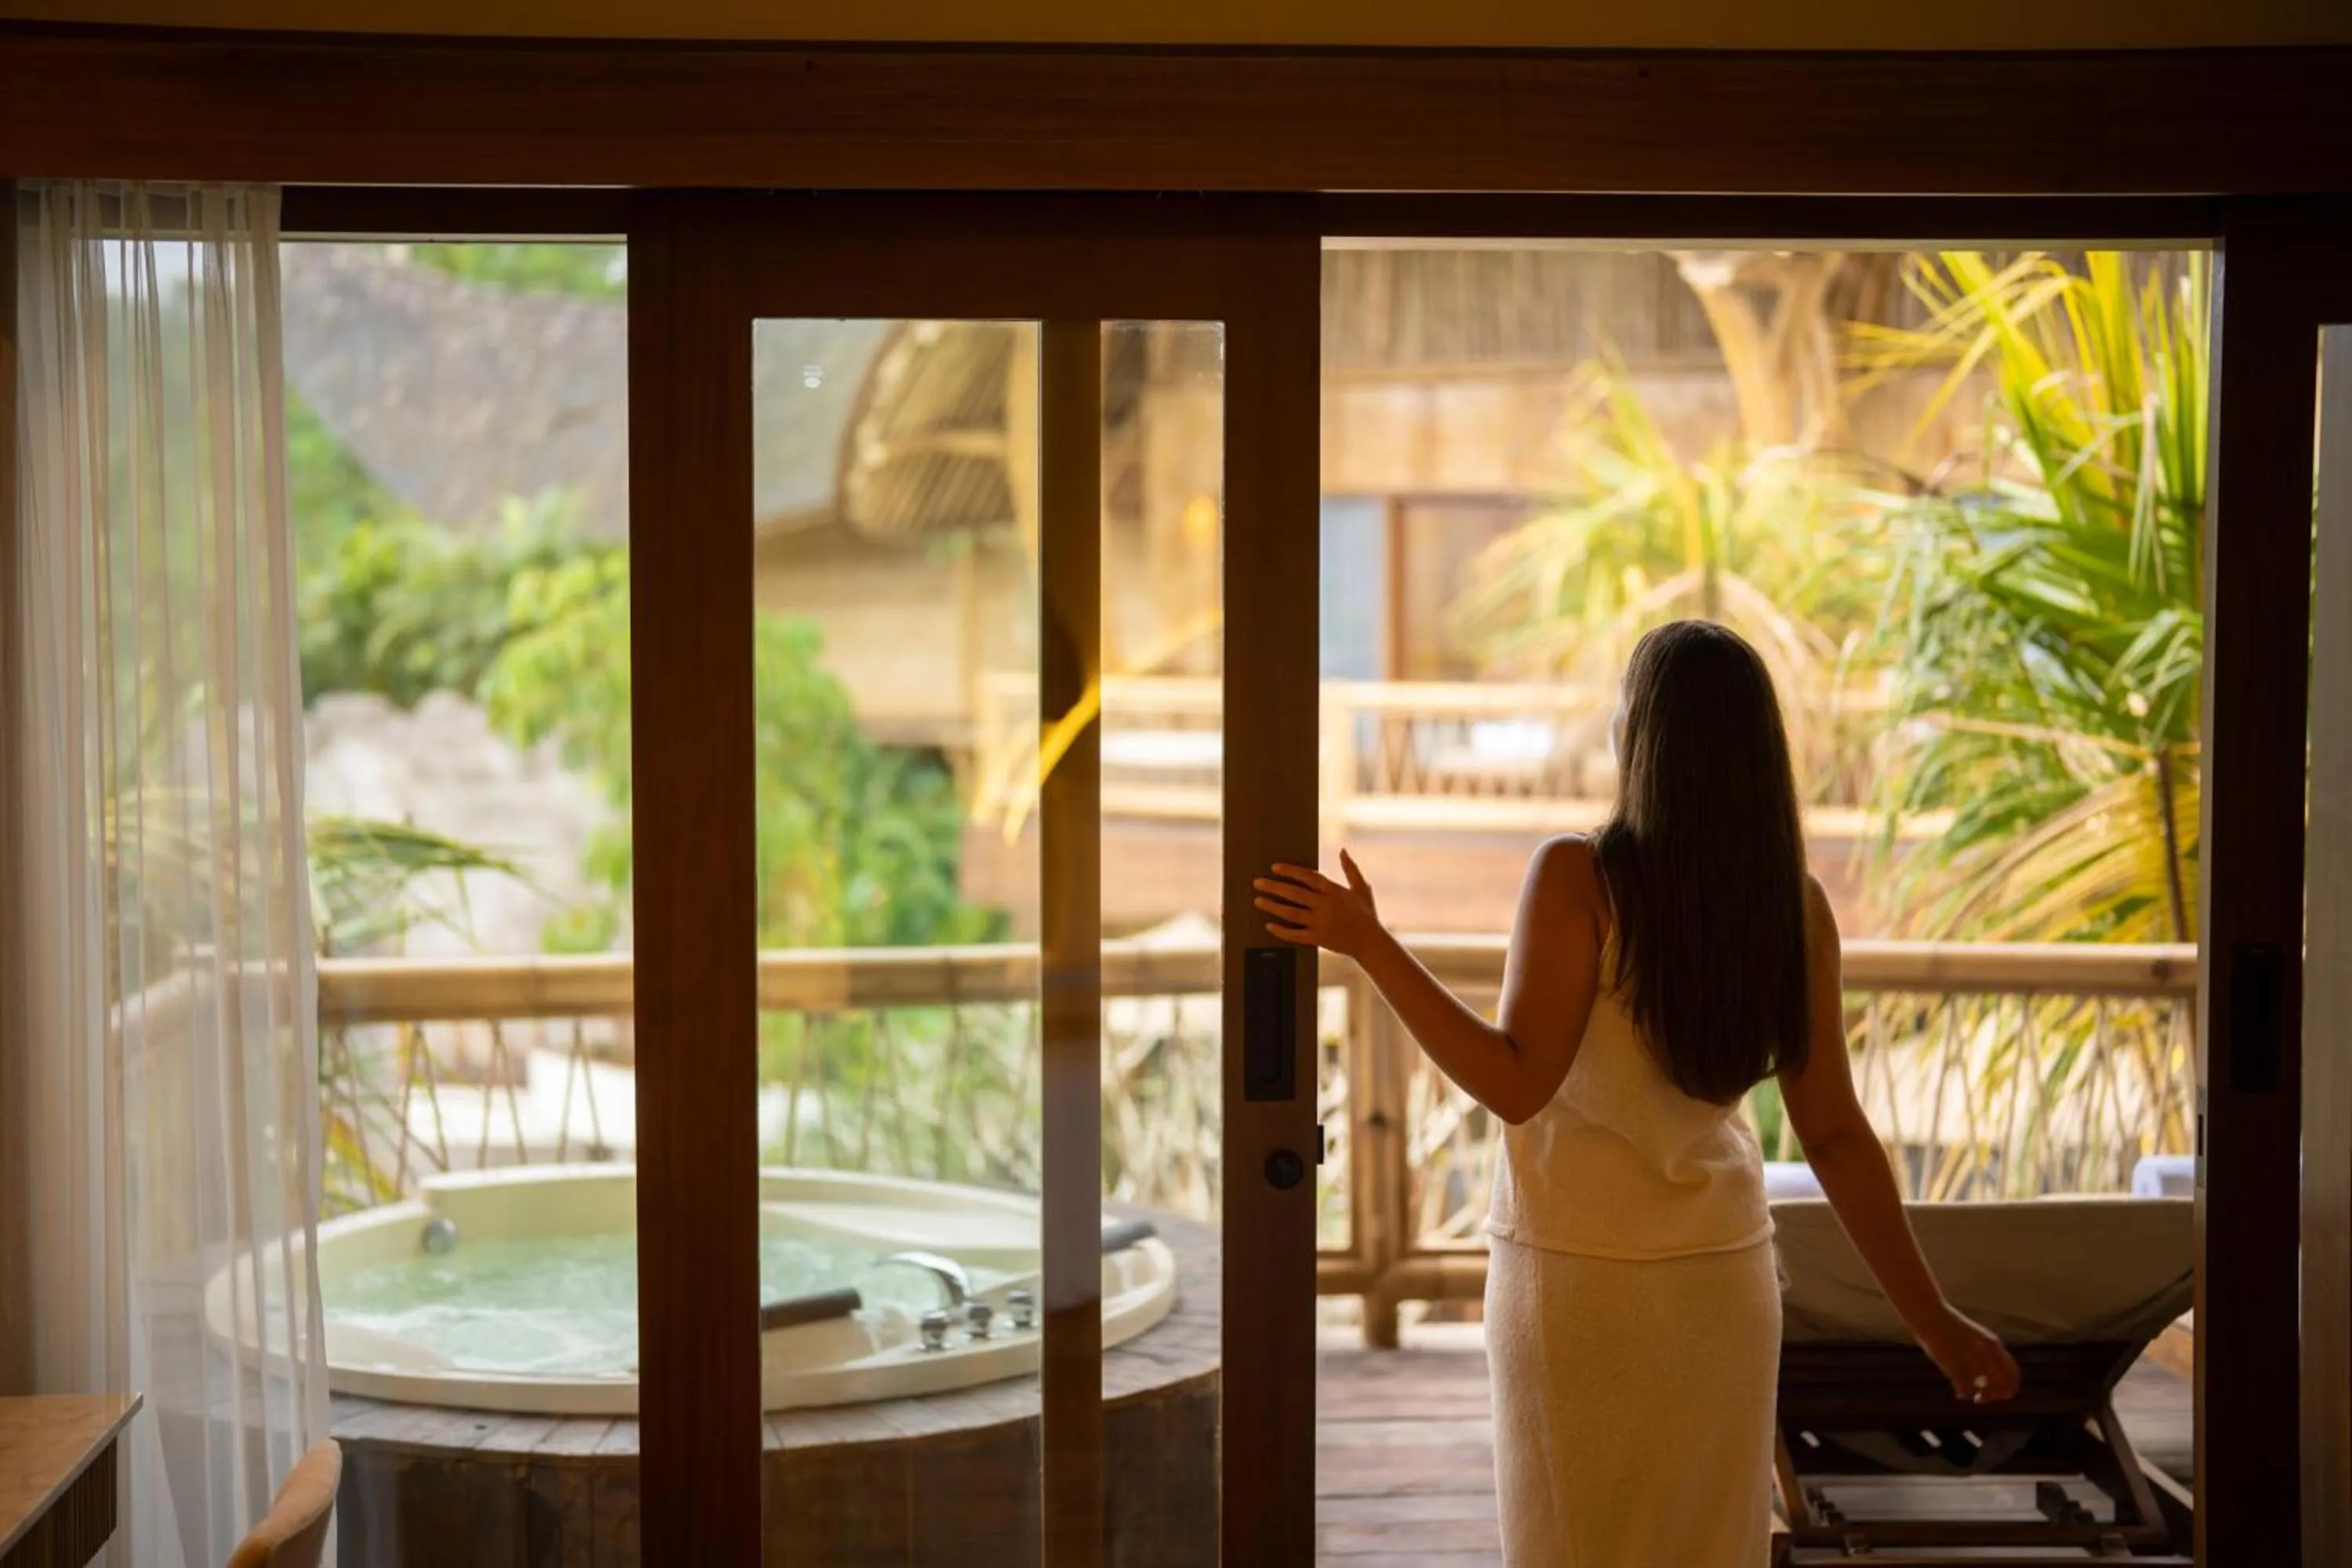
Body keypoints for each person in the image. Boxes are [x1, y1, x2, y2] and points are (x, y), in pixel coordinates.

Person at [1255, 619, 2020, 1566]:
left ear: (1643, 736)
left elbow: (1515, 1082)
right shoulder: (1795, 906)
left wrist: (1370, 943)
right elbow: (1834, 1134)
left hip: (1580, 1287)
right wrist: (1933, 1322)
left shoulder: (1581, 875)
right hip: (1721, 1288)